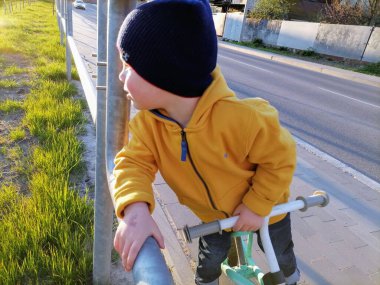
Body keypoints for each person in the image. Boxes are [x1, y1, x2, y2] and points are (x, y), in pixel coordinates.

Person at [112, 0, 299, 284]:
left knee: (279, 251)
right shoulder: (149, 125)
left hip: (268, 210)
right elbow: (132, 162)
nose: (121, 75)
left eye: (128, 63)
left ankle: (291, 276)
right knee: (210, 259)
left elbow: (281, 158)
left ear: (166, 74)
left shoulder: (242, 119)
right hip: (213, 218)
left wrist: (257, 205)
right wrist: (135, 208)